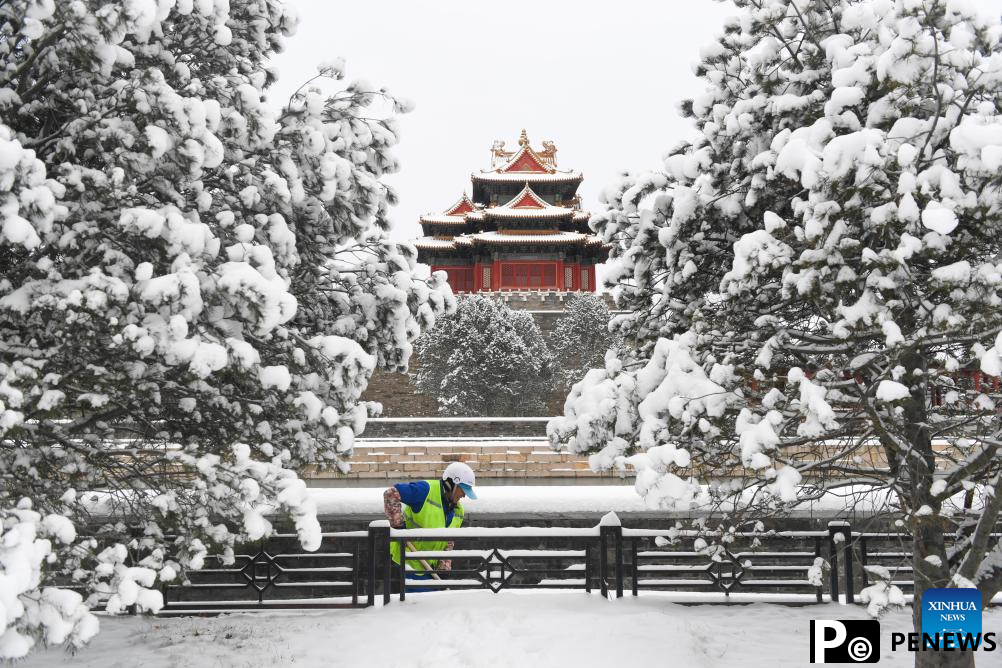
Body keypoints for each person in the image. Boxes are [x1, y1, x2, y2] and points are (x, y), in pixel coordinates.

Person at [383, 461, 477, 591]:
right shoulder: (425, 490)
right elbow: (391, 494)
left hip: (430, 569)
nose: (464, 495)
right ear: (451, 484)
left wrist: (444, 565)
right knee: (415, 608)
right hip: (407, 564)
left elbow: (449, 541)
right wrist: (398, 526)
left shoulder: (458, 512)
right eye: (463, 490)